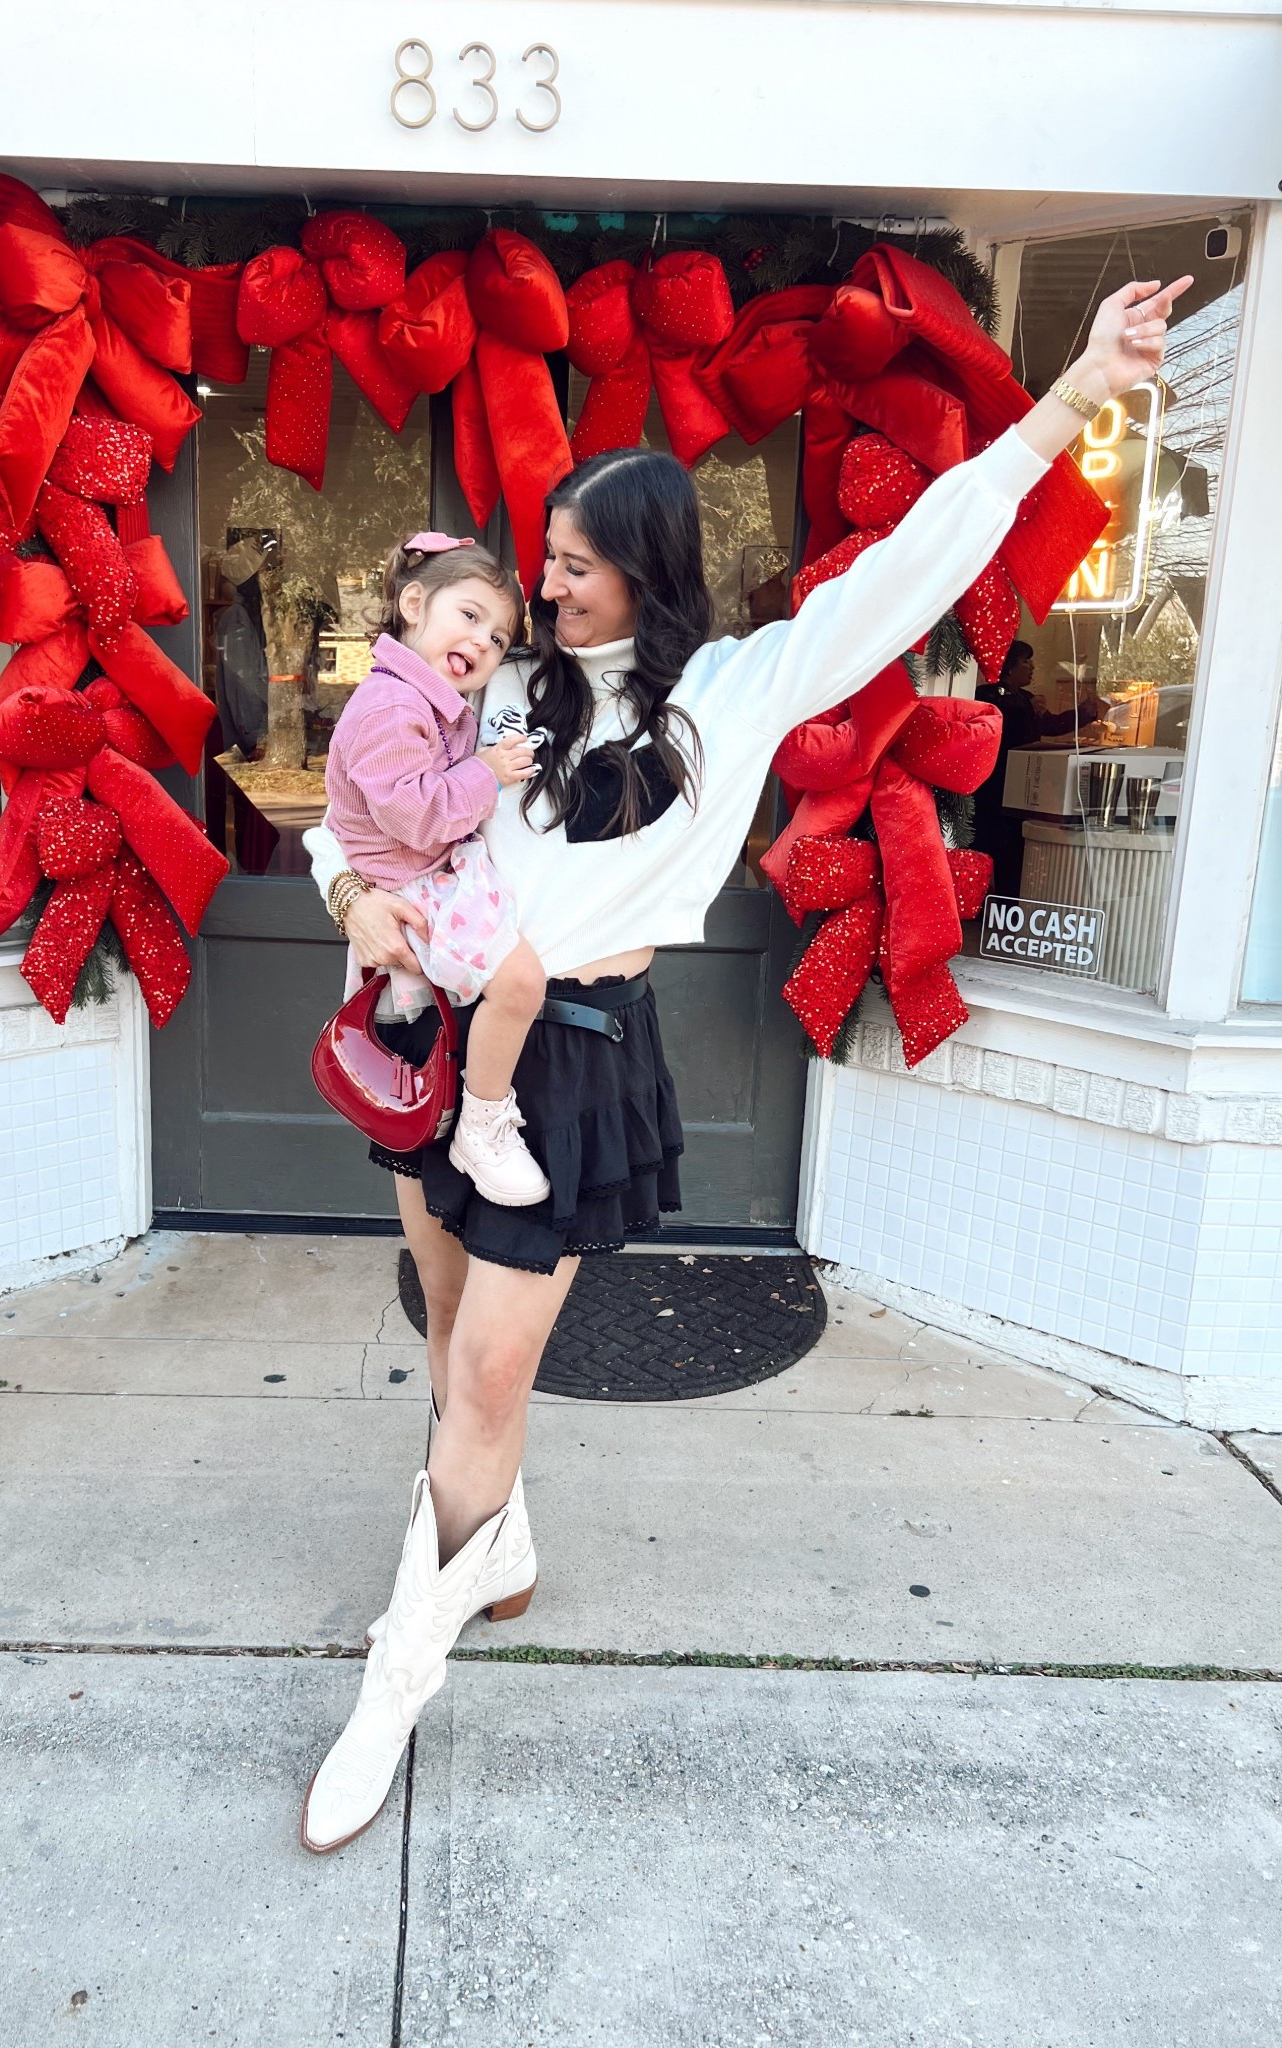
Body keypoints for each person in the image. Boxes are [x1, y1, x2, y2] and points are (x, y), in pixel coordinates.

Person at [297, 274, 1192, 1856]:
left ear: (639, 568)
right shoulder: (504, 692)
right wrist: (353, 895)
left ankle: (395, 1680)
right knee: (452, 1353)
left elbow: (922, 564)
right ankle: (495, 1550)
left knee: (490, 1371)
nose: (539, 592)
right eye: (539, 567)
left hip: (570, 1058)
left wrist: (1073, 395)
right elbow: (356, 814)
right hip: (443, 1033)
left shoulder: (734, 690)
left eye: (568, 567)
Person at [324, 533, 554, 1204]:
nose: (484, 642)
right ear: (415, 603)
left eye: (499, 635)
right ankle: (481, 1128)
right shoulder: (392, 707)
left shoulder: (422, 695)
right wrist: (485, 773)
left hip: (429, 873)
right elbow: (418, 817)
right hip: (419, 880)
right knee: (518, 983)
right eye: (471, 616)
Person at [973, 638, 1046, 898]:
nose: (1032, 667)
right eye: (1026, 661)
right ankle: (980, 899)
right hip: (992, 786)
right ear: (1010, 667)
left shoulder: (1025, 699)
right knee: (989, 842)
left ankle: (1007, 902)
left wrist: (1085, 714)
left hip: (1018, 788)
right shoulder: (988, 694)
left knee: (1013, 847)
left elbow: (1051, 725)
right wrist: (1028, 709)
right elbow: (1002, 721)